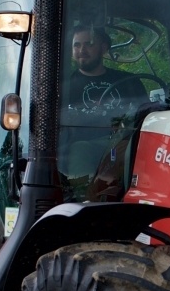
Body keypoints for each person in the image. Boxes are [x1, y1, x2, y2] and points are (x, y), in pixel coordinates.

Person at [61, 26, 148, 201]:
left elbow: (146, 114)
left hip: (122, 145)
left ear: (104, 47)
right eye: (76, 45)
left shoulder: (128, 82)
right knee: (79, 149)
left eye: (88, 44)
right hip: (84, 148)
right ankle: (84, 201)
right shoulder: (63, 87)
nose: (82, 50)